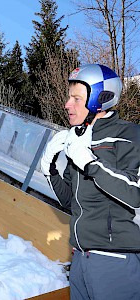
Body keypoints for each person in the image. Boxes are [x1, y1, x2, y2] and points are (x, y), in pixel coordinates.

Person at [40, 64, 140, 300]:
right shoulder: (77, 139)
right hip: (80, 257)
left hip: (115, 258)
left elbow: (135, 193)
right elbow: (69, 201)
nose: (67, 104)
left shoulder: (128, 135)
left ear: (99, 99)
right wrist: (49, 169)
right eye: (69, 97)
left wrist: (90, 163)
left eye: (76, 98)